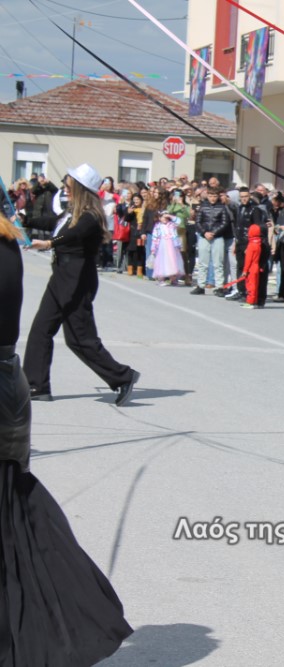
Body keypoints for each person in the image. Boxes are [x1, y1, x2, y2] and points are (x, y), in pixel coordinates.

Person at [0, 213, 133, 664]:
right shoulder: (8, 244)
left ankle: (70, 622)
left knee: (16, 520)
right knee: (14, 518)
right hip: (9, 388)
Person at [20, 164, 140, 405]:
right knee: (41, 329)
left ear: (81, 188)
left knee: (79, 339)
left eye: (69, 185)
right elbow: (52, 223)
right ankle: (36, 385)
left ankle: (123, 376)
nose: (65, 188)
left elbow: (73, 234)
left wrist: (49, 243)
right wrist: (25, 219)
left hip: (77, 281)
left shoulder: (91, 216)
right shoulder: (71, 211)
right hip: (61, 277)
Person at [190, 187, 233, 296]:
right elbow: (198, 221)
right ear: (207, 196)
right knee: (203, 263)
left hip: (217, 237)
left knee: (218, 263)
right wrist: (204, 232)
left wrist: (214, 232)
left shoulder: (222, 207)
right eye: (210, 196)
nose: (212, 198)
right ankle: (200, 285)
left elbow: (225, 222)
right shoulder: (203, 207)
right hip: (204, 237)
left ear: (218, 196)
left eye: (215, 196)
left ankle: (219, 286)